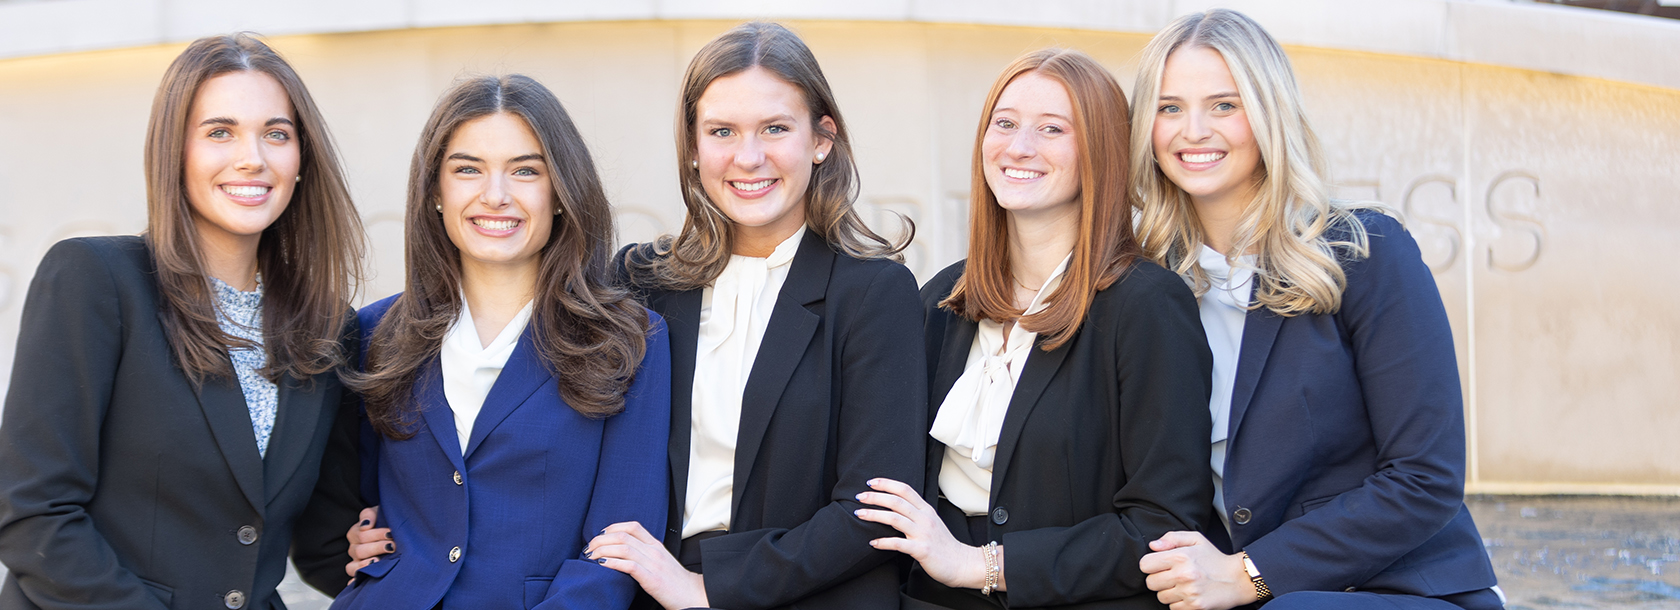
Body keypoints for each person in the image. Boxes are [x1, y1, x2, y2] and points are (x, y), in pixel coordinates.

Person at [1129, 10, 1503, 610]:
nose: (1192, 130)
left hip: (1392, 589)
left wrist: (1249, 573)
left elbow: (1425, 478)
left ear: (1270, 113)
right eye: (1169, 108)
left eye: (1225, 105)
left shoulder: (1365, 251)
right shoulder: (1146, 283)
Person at [0, 33, 366, 609]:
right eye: (220, 132)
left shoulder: (326, 327)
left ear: (301, 160)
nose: (253, 157)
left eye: (276, 134)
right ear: (175, 152)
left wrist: (371, 550)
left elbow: (315, 540)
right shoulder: (96, 280)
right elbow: (37, 519)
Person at [852, 48, 1215, 610]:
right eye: (1005, 123)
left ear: (1100, 153)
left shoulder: (1146, 305)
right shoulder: (943, 301)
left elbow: (1162, 525)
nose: (1019, 147)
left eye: (1052, 129)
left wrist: (981, 566)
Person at [583, 21, 929, 610]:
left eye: (775, 128)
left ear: (821, 140)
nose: (748, 157)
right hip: (645, 591)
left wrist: (707, 589)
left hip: (812, 596)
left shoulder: (874, 294)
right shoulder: (641, 282)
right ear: (693, 148)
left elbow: (874, 510)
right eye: (722, 131)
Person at [297, 73, 672, 610]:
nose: (495, 195)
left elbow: (617, 552)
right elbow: (352, 511)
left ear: (562, 192)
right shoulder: (375, 334)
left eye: (525, 171)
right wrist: (356, 546)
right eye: (467, 169)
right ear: (434, 191)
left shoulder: (630, 340)